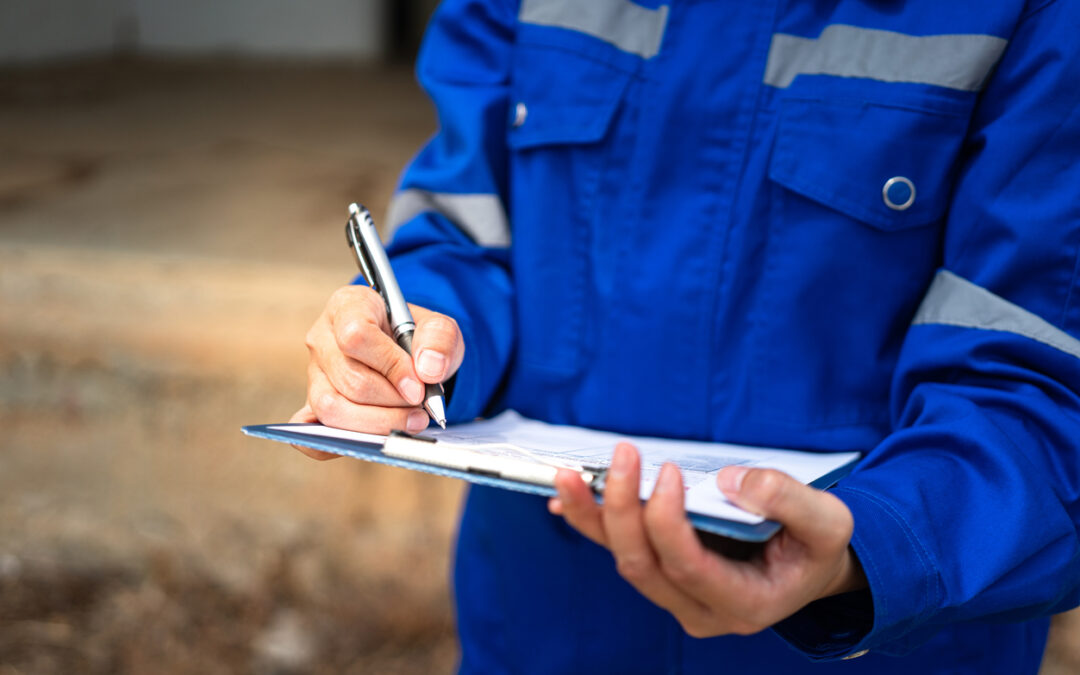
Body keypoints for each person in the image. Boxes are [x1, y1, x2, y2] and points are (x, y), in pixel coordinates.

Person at [292, 0, 1080, 672]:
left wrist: (866, 544)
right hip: (541, 630)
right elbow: (466, 234)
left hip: (875, 643)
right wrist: (409, 341)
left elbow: (1045, 393)